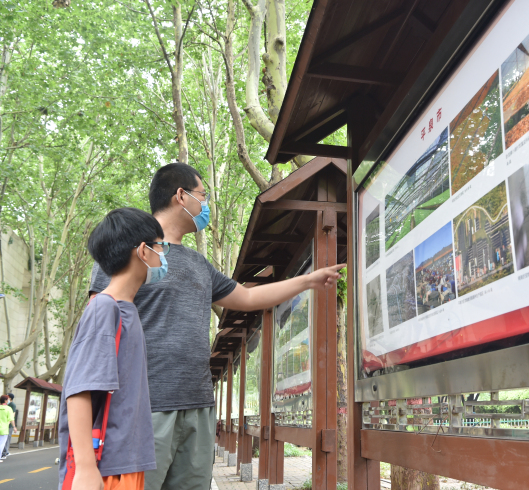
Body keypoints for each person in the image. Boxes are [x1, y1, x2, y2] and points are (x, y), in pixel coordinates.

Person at [88, 163, 343, 490]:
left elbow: (249, 299)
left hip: (198, 408)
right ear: (181, 196)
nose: (205, 206)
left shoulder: (198, 264)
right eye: (202, 196)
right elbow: (97, 329)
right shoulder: (127, 251)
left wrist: (307, 280)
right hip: (142, 408)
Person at [58, 208, 166, 489]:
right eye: (160, 246)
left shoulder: (126, 310)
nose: (163, 255)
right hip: (106, 469)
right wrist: (85, 468)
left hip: (126, 463)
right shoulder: (106, 308)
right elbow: (80, 389)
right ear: (143, 251)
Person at [0, 395, 16, 462]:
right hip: (3, 429)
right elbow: (11, 419)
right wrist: (14, 427)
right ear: (5, 401)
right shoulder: (8, 409)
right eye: (7, 399)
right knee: (1, 444)